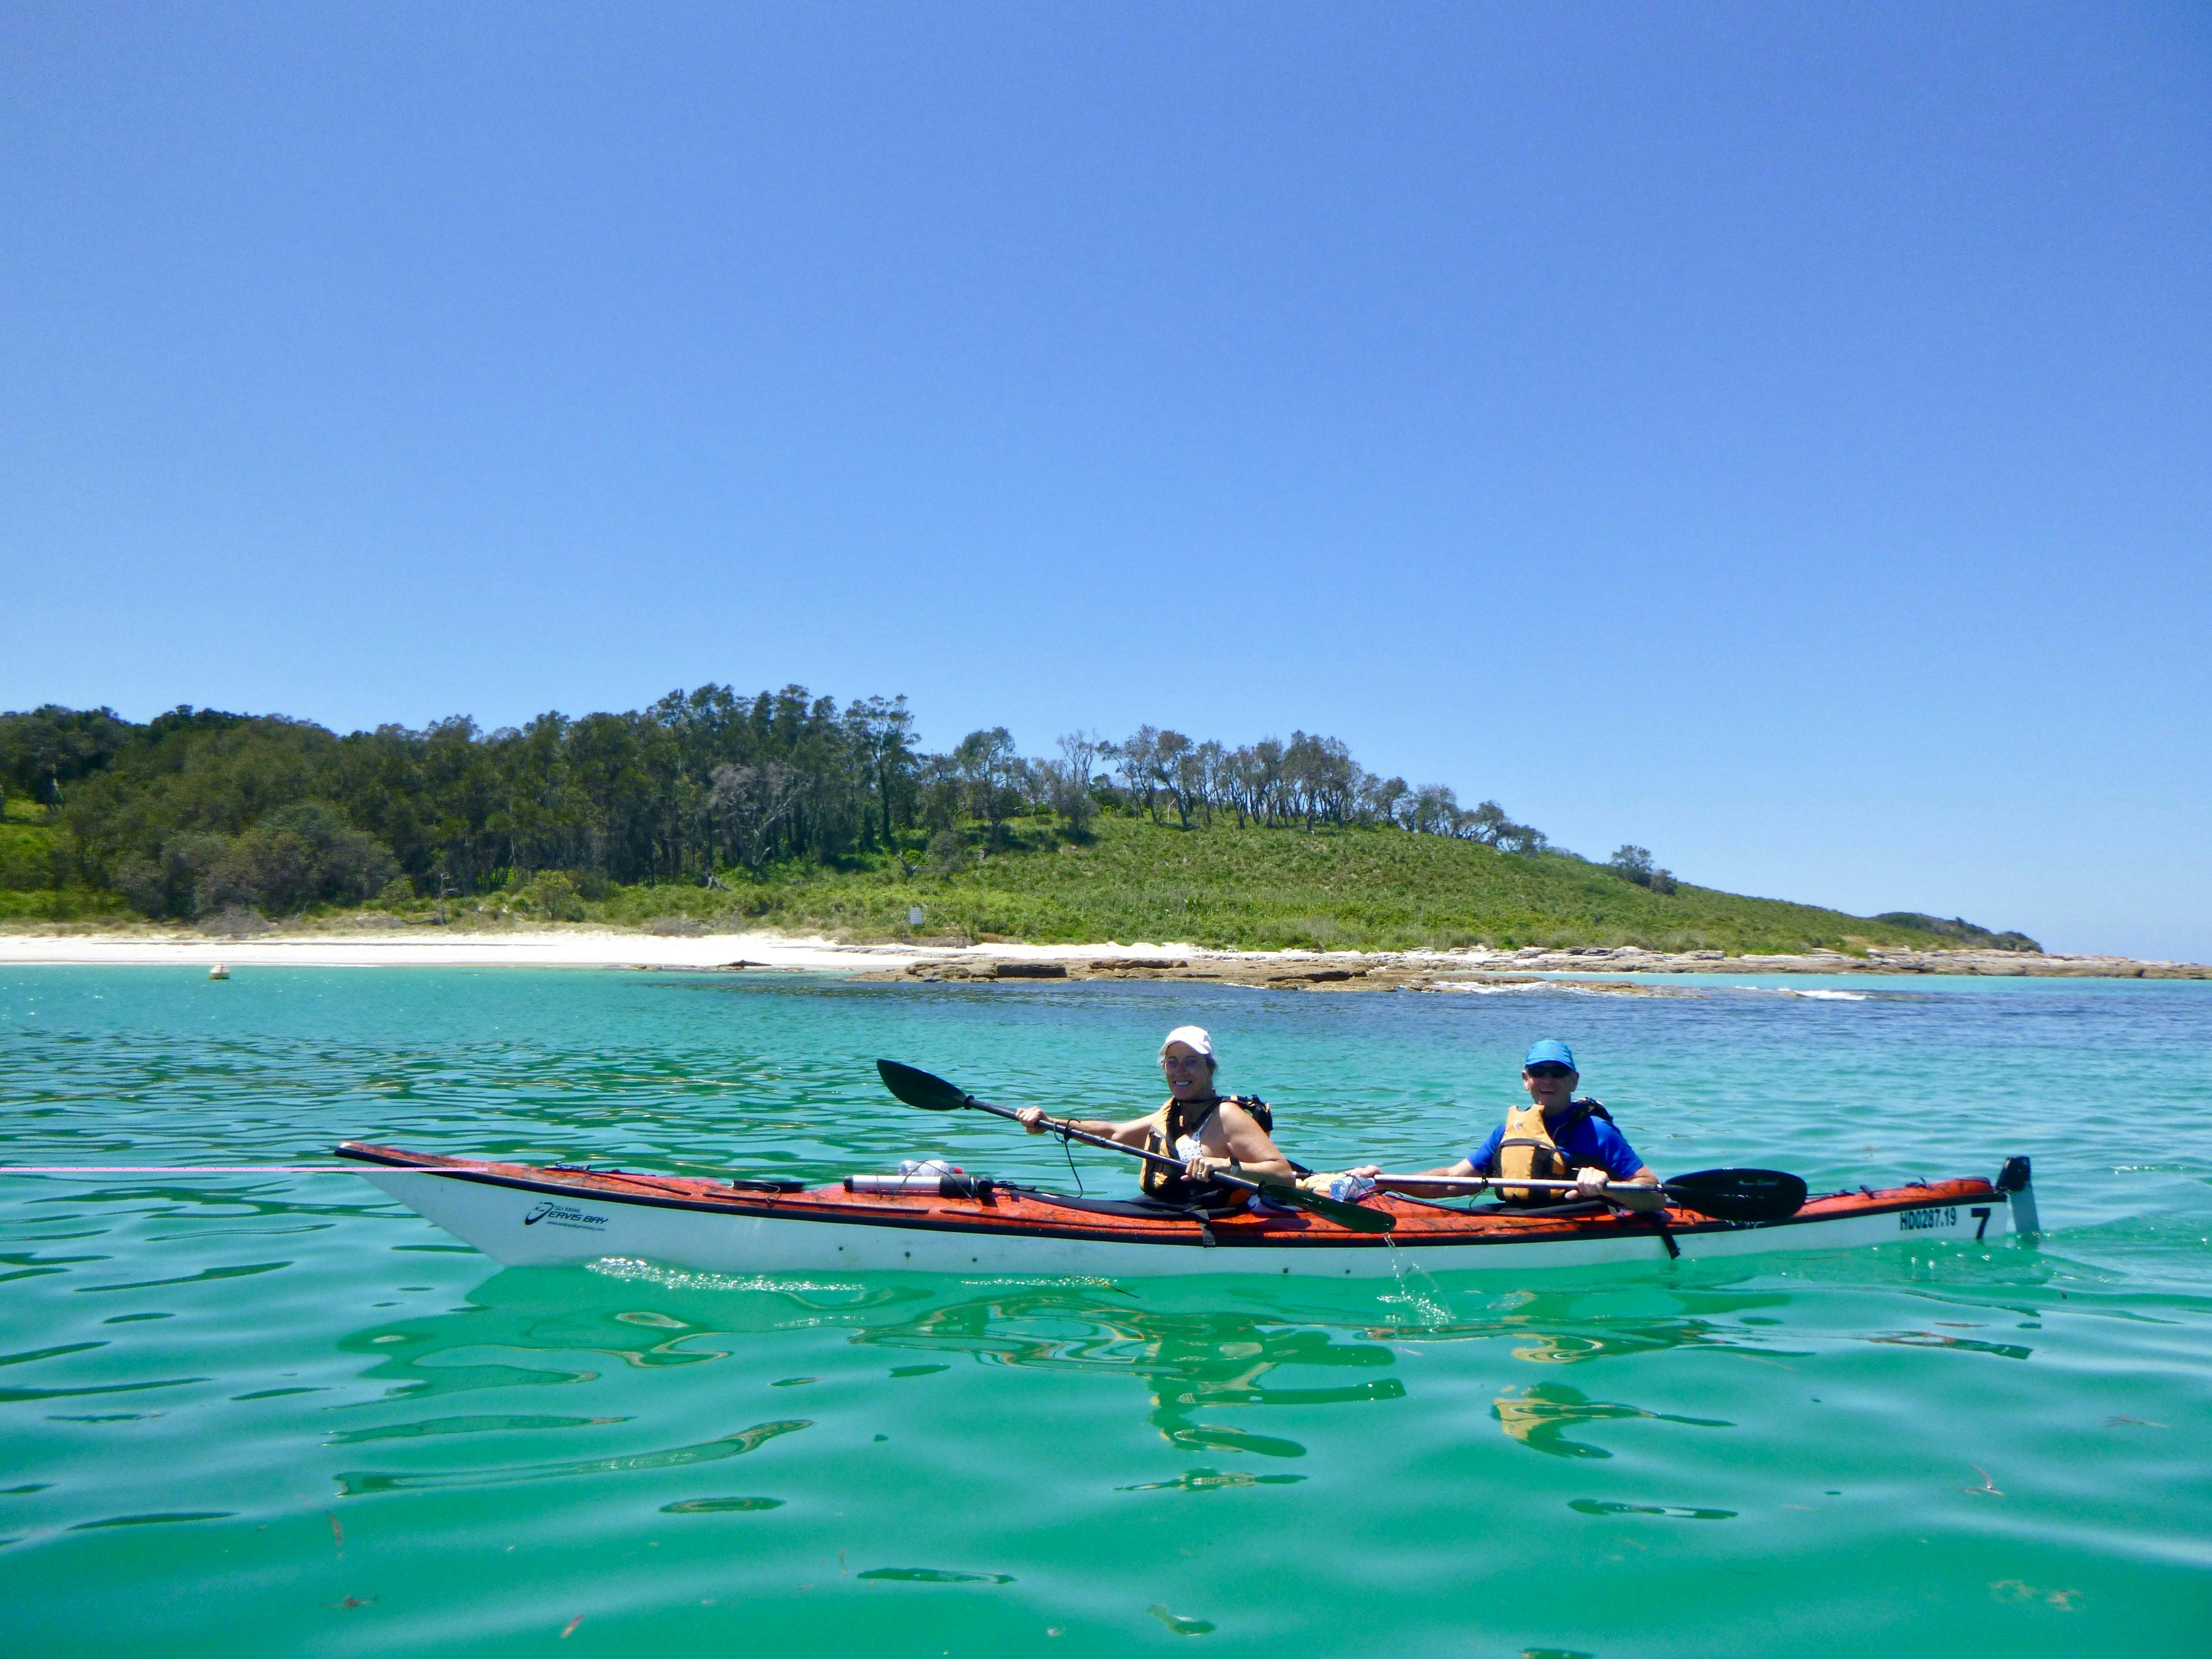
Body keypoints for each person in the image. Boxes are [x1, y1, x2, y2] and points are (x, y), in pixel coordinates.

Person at [1348, 1039, 1661, 1209]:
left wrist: (1607, 1186)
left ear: (1574, 1081)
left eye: (1558, 1073)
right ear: (1527, 1081)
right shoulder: (1508, 1133)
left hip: (1580, 1221)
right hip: (1515, 1219)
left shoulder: (1598, 1132)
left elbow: (1654, 1193)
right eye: (1540, 1072)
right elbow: (1452, 1180)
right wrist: (1385, 1180)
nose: (1548, 1080)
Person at [1013, 1025, 1295, 1208]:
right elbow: (1114, 1134)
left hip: (1201, 1221)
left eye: (1191, 1062)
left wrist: (1224, 1165)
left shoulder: (1228, 1116)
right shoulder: (1170, 1111)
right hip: (1158, 1209)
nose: (1179, 1071)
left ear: (1210, 1069)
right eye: (1172, 1063)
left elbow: (1284, 1175)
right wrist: (1051, 1123)